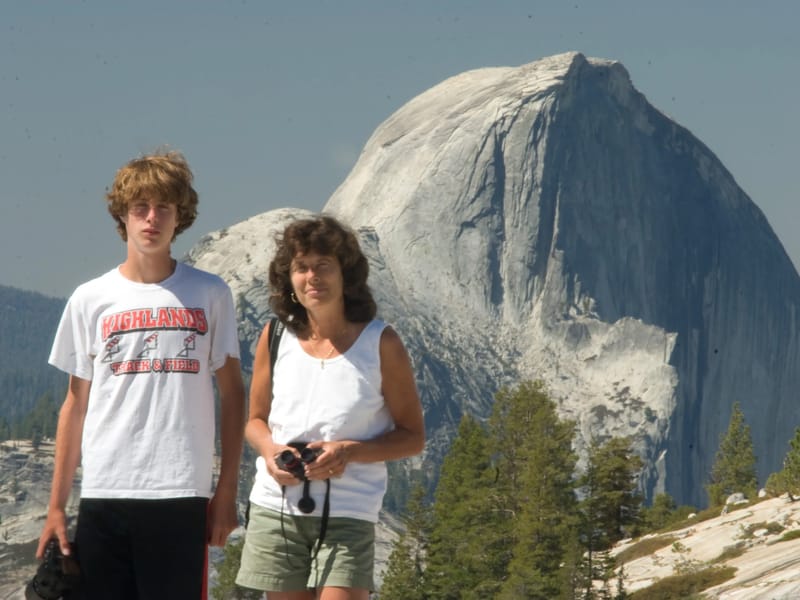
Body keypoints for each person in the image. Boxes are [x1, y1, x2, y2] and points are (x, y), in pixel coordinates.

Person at [36, 150, 245, 599]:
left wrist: (226, 490)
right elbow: (75, 406)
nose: (152, 218)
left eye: (163, 208)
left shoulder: (210, 294)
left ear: (180, 217)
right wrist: (56, 507)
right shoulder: (90, 299)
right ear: (123, 217)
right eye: (140, 208)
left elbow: (232, 394)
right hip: (105, 490)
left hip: (180, 491)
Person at [236, 215, 425, 599]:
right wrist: (271, 452)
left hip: (347, 513)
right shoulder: (274, 337)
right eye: (301, 268)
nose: (312, 277)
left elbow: (413, 438)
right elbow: (254, 421)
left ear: (346, 275)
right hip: (277, 509)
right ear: (288, 279)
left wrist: (348, 453)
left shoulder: (381, 343)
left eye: (324, 266)